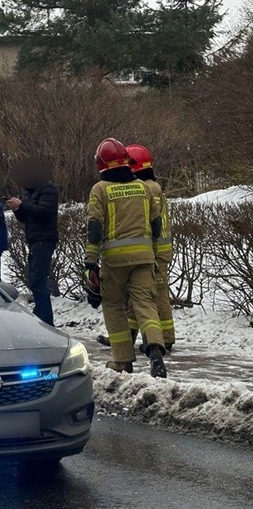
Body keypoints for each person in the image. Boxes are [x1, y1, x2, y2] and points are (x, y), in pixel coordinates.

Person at [84, 138, 167, 378]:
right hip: (144, 258)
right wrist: (151, 251)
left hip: (114, 261)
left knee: (113, 305)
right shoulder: (143, 187)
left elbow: (95, 227)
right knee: (145, 303)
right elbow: (156, 223)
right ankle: (154, 350)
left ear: (101, 164)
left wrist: (91, 261)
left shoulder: (100, 190)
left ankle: (122, 361)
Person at [98, 144, 175, 352]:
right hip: (152, 249)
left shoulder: (147, 188)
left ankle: (164, 338)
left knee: (155, 296)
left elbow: (152, 222)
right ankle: (129, 337)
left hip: (155, 251)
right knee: (139, 297)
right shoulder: (150, 185)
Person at [5, 158, 58, 325]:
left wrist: (23, 205)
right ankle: (42, 316)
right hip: (34, 238)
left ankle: (44, 319)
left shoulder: (48, 188)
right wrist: (17, 209)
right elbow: (27, 217)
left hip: (45, 238)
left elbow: (44, 212)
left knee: (38, 280)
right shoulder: (29, 191)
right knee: (34, 279)